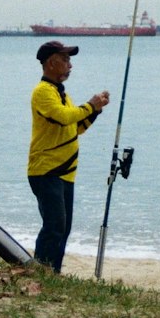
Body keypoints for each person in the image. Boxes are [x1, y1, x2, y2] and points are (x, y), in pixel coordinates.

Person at [28, 39, 109, 272]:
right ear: (51, 63)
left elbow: (74, 127)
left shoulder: (61, 93)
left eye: (69, 60)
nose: (70, 65)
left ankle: (52, 271)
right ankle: (41, 270)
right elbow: (62, 116)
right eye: (65, 60)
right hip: (46, 170)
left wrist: (95, 111)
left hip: (65, 172)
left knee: (63, 227)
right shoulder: (42, 92)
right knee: (54, 225)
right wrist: (89, 106)